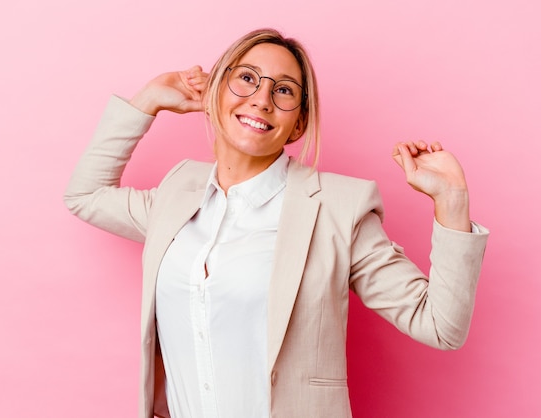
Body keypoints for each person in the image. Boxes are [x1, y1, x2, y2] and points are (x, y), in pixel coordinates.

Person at [64, 28, 489, 418]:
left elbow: (440, 325)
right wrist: (147, 101)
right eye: (247, 78)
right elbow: (85, 196)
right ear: (216, 92)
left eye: (283, 90)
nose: (262, 99)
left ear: (298, 123)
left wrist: (452, 202)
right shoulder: (178, 191)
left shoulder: (338, 208)